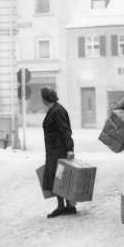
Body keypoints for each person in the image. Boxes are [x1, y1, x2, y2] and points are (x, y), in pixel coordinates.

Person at [40, 87, 77, 218]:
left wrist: (70, 149)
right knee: (60, 177)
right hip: (54, 150)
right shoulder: (54, 109)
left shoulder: (57, 111)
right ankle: (68, 206)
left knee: (60, 177)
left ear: (45, 99)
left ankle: (64, 206)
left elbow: (65, 131)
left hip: (59, 150)